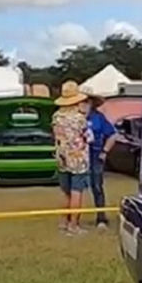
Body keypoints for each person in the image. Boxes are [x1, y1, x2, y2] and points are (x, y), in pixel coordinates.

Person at [51, 82, 92, 236]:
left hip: (62, 158)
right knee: (76, 192)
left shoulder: (56, 116)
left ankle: (63, 222)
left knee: (65, 192)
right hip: (78, 160)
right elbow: (88, 137)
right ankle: (73, 225)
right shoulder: (79, 118)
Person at [84, 94, 120, 230]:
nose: (84, 104)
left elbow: (112, 134)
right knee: (74, 188)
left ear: (92, 103)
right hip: (78, 157)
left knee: (97, 186)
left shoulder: (98, 117)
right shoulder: (74, 117)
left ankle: (101, 218)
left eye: (87, 101)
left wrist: (104, 151)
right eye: (82, 101)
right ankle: (71, 220)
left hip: (95, 156)